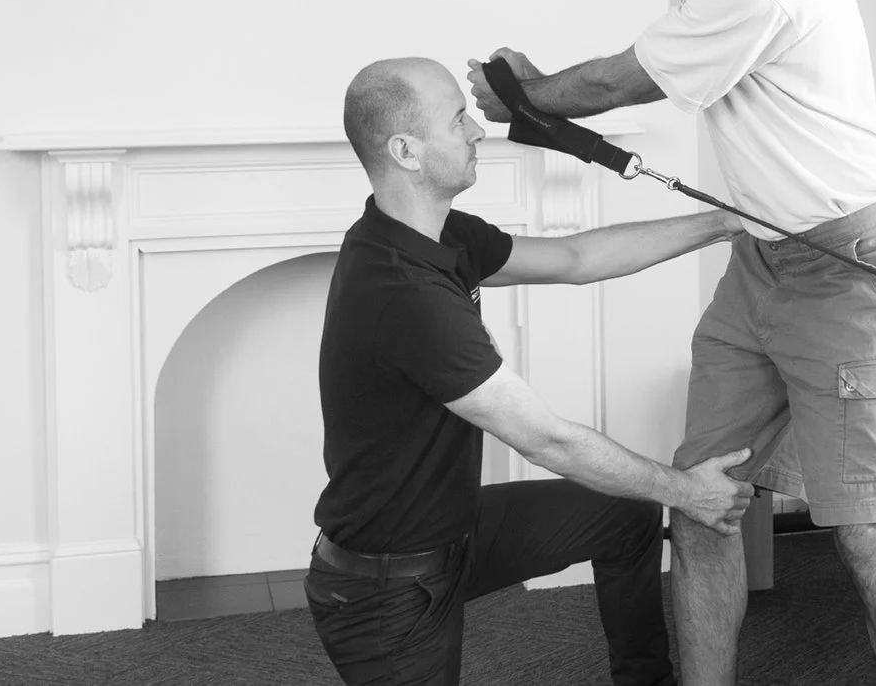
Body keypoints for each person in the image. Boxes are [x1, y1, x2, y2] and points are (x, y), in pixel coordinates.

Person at [466, 0, 876, 685]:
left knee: (869, 539)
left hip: (859, 267)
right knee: (702, 502)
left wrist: (521, 96)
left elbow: (618, 82)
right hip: (765, 263)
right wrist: (534, 99)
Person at [308, 56, 753, 686]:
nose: (477, 132)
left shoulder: (436, 236)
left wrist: (727, 222)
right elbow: (548, 439)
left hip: (456, 533)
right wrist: (687, 491)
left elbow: (576, 256)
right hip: (387, 592)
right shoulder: (401, 294)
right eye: (458, 119)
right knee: (639, 490)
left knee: (623, 515)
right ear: (406, 150)